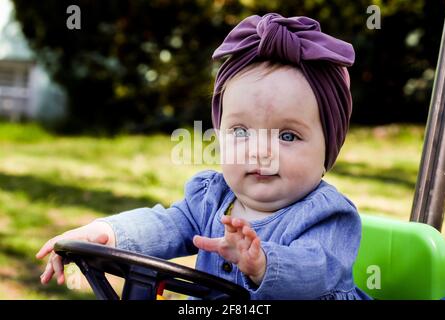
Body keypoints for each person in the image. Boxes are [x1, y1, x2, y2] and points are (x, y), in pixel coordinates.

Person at [36, 13, 371, 300]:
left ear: (328, 149)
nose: (260, 150)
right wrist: (108, 233)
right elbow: (166, 225)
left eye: (287, 135)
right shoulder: (212, 198)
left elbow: (319, 268)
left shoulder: (327, 215)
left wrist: (263, 264)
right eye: (241, 132)